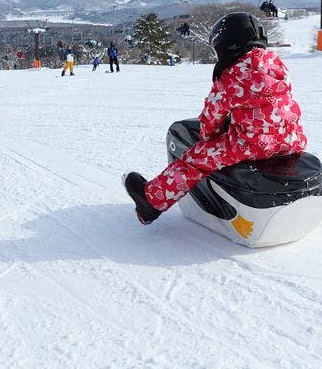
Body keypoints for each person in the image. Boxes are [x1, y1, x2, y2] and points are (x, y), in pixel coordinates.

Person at [123, 12, 307, 225]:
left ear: (226, 45)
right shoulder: (277, 67)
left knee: (194, 159)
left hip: (251, 144)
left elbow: (211, 119)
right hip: (292, 140)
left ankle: (150, 201)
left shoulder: (232, 76)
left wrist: (208, 138)